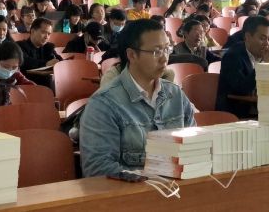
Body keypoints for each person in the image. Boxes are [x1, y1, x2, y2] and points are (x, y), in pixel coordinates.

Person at [80, 18, 195, 177]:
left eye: (167, 49)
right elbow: (98, 169)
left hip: (178, 188)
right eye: (156, 51)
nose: (164, 58)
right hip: (132, 191)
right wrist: (155, 178)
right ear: (132, 55)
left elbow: (194, 148)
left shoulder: (176, 95)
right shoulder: (104, 104)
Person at [216, 16, 269, 118]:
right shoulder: (232, 56)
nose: (267, 43)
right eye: (262, 38)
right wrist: (264, 64)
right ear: (248, 37)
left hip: (259, 109)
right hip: (236, 113)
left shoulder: (264, 55)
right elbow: (241, 89)